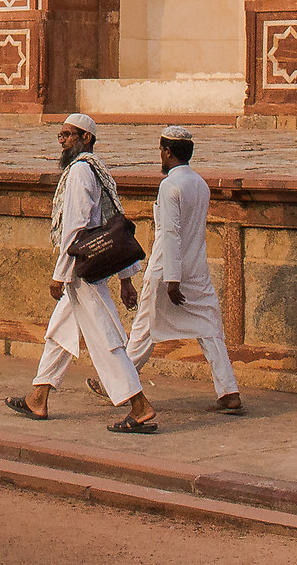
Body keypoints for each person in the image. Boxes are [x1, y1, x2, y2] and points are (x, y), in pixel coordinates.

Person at [5, 113, 160, 433]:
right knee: (60, 333)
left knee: (105, 338)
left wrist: (59, 274)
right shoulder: (96, 170)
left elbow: (76, 229)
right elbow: (112, 223)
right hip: (88, 268)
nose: (62, 141)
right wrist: (126, 278)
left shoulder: (79, 171)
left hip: (82, 271)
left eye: (68, 135)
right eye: (60, 136)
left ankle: (140, 405)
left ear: (86, 138)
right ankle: (38, 397)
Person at [124, 124, 243, 413]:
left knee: (144, 328)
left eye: (160, 151)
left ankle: (120, 383)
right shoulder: (200, 183)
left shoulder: (169, 186)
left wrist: (172, 279)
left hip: (167, 270)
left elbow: (171, 233)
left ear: (167, 152)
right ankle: (228, 390)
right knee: (210, 329)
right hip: (196, 270)